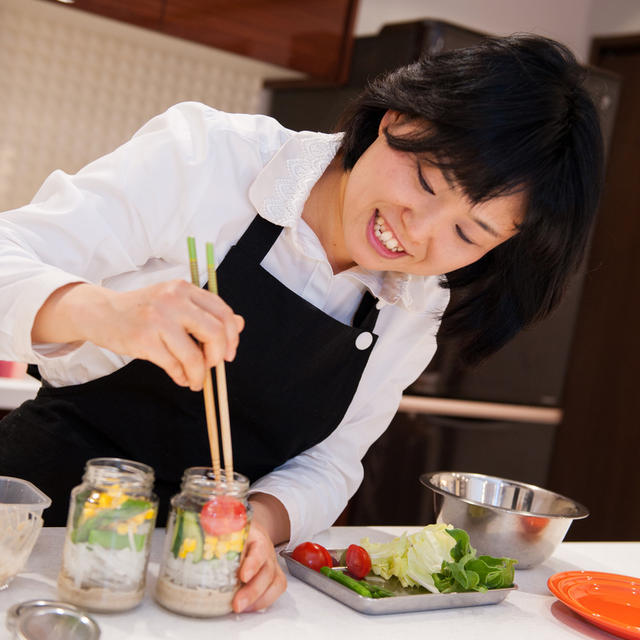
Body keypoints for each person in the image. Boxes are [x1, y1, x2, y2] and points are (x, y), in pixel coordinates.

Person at [0, 34, 603, 612]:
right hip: (34, 528)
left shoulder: (414, 307)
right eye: (425, 181)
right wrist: (104, 312)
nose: (416, 234)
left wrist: (259, 523)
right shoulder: (212, 157)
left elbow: (332, 461)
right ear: (397, 118)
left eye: (469, 233)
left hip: (205, 568)